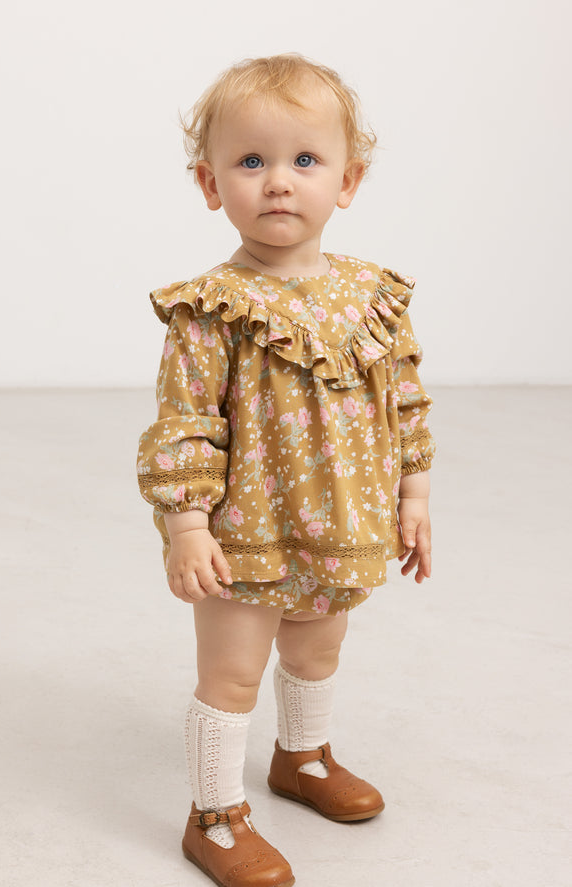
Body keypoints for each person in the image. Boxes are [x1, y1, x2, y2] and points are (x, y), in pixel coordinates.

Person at [136, 53, 435, 887]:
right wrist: (186, 525)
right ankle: (213, 815)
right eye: (250, 160)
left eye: (304, 159)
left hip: (341, 525)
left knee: (315, 651)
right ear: (210, 184)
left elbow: (404, 400)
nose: (277, 181)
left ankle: (300, 757)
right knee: (233, 672)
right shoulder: (211, 311)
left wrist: (413, 493)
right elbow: (185, 424)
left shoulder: (373, 297)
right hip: (246, 534)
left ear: (347, 180)